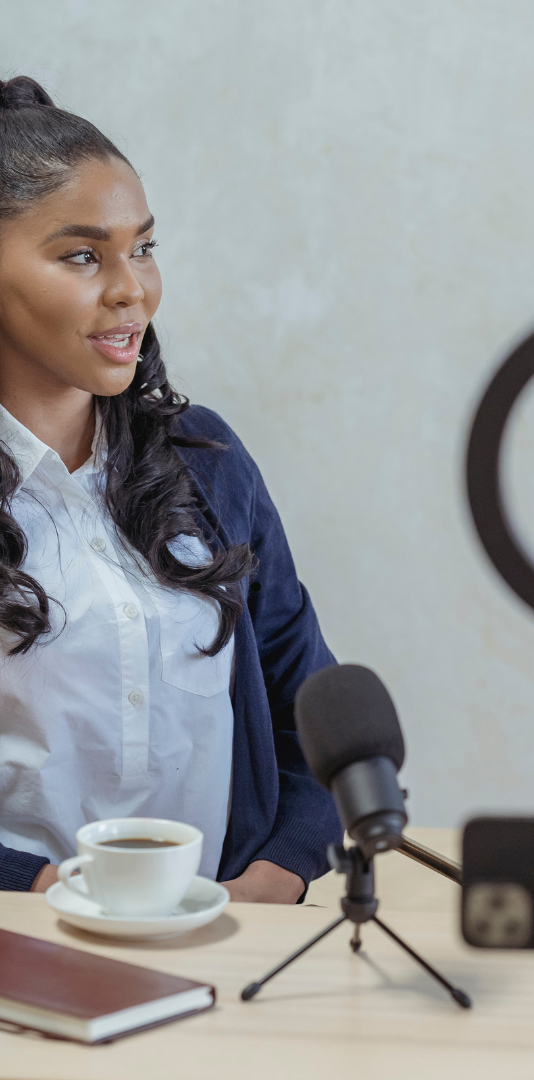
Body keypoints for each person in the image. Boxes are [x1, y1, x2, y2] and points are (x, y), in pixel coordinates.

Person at [0, 76, 341, 901]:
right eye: (83, 255)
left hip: (218, 949)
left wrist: (276, 877)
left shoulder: (207, 459)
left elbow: (316, 715)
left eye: (142, 248)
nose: (133, 290)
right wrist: (39, 894)